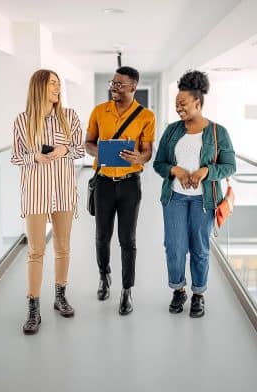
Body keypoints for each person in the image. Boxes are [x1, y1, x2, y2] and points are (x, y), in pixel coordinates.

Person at [153, 70, 236, 318]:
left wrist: (204, 171)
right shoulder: (172, 131)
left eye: (183, 104)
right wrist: (174, 170)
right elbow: (159, 163)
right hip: (174, 198)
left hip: (204, 200)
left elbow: (230, 166)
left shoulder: (218, 132)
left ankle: (198, 294)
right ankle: (178, 290)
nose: (179, 108)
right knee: (175, 248)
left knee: (200, 249)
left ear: (197, 103)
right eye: (176, 104)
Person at [11, 69, 85, 334]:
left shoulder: (70, 117)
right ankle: (33, 308)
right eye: (52, 83)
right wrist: (35, 158)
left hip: (64, 192)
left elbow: (80, 149)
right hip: (36, 193)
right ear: (39, 87)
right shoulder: (23, 121)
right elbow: (16, 156)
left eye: (58, 84)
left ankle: (60, 296)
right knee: (35, 251)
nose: (57, 87)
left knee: (63, 247)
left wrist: (64, 149)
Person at [85, 66, 155, 315]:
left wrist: (140, 157)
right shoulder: (98, 112)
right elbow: (88, 143)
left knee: (128, 239)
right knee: (102, 237)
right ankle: (104, 276)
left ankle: (127, 290)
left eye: (120, 84)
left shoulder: (146, 116)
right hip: (103, 182)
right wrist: (101, 151)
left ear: (133, 87)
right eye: (112, 84)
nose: (114, 87)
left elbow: (147, 152)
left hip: (129, 183)